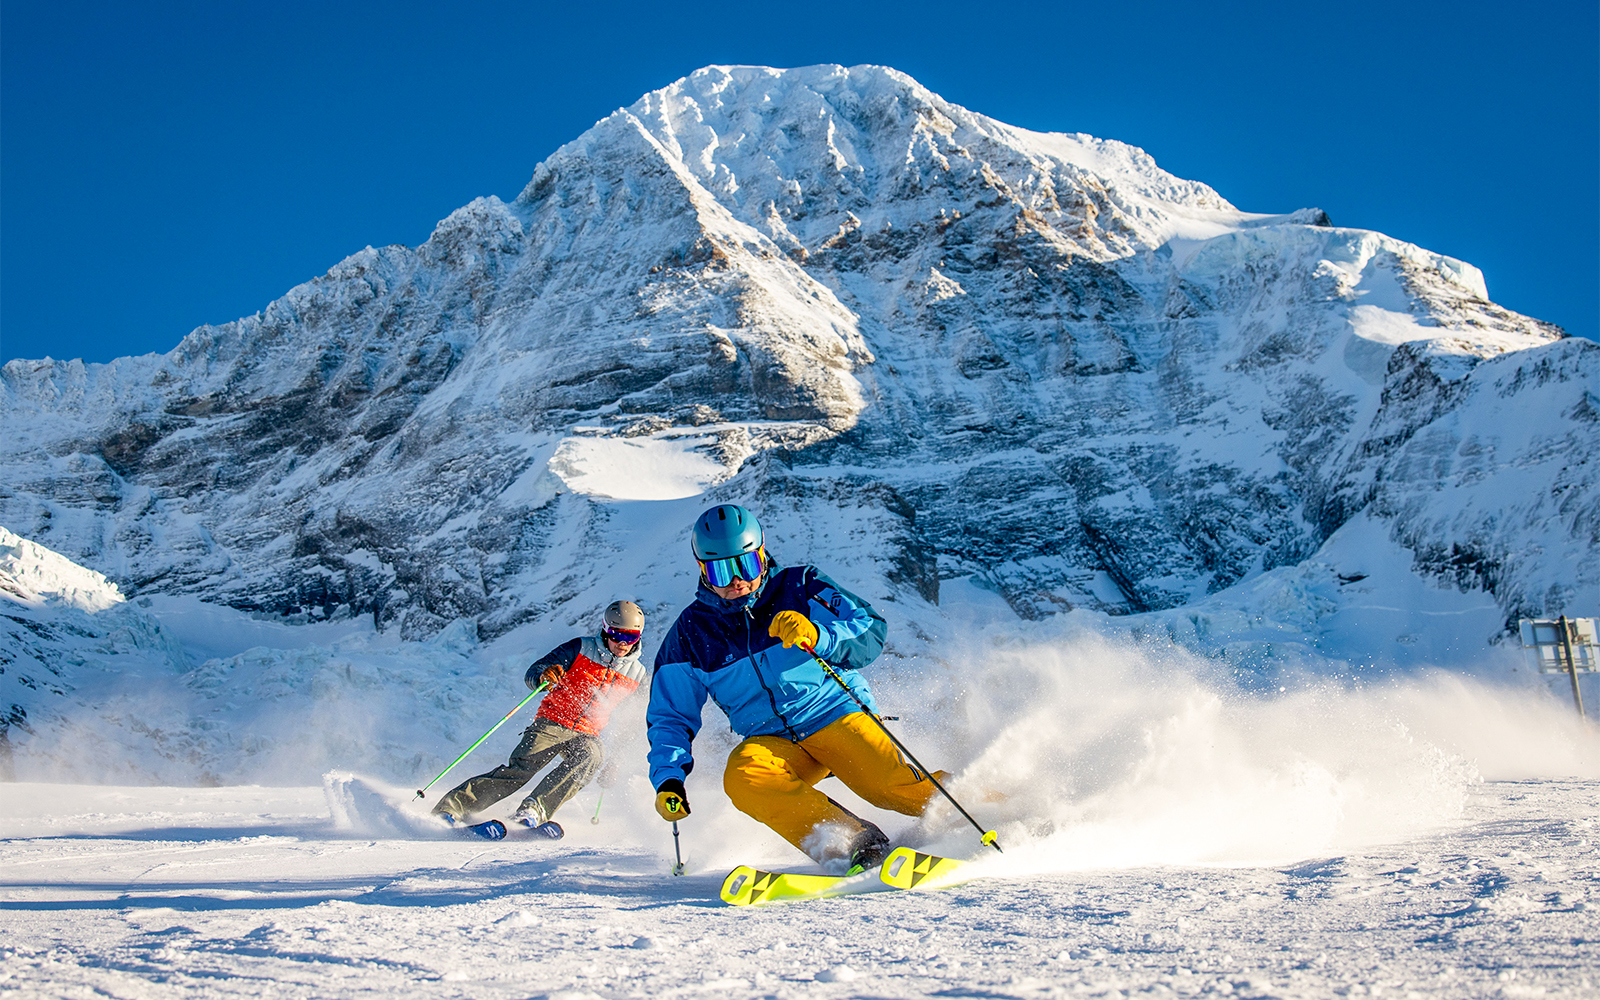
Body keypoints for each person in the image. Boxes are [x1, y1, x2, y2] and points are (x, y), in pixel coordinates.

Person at [646, 503, 946, 872]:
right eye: (722, 570)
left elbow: (870, 630)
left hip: (836, 714)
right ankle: (855, 844)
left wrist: (818, 635)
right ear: (702, 570)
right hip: (772, 739)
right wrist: (669, 779)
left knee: (886, 785)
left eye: (747, 565)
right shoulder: (691, 634)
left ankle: (992, 810)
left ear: (762, 554)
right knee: (744, 777)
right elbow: (670, 716)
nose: (737, 580)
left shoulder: (801, 587)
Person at [431, 600, 647, 839]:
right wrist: (545, 675)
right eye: (618, 635)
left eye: (632, 637)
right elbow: (536, 670)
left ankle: (533, 810)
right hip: (552, 722)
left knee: (592, 756)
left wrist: (615, 761)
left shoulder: (637, 675)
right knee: (520, 770)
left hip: (588, 733)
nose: (623, 644)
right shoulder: (581, 648)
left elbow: (631, 722)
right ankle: (451, 808)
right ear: (606, 630)